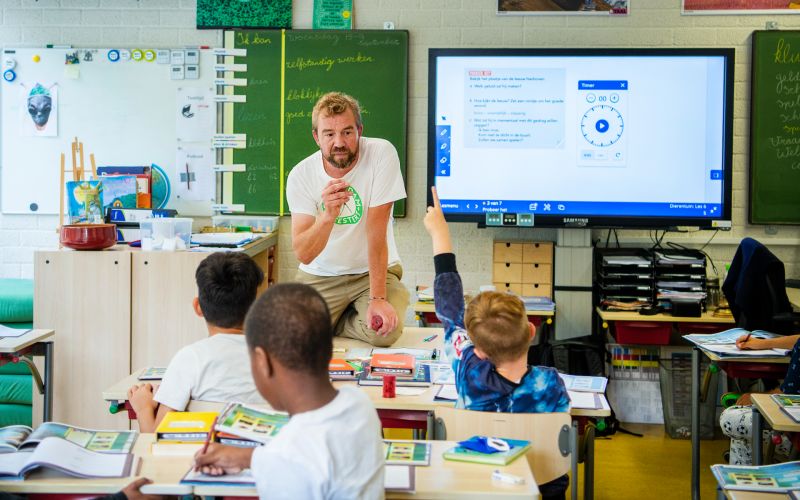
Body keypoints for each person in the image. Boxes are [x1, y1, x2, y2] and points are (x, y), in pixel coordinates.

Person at [423, 186, 570, 499]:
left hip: (473, 482)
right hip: (540, 484)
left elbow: (449, 309)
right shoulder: (550, 383)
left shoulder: (467, 369)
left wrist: (440, 233)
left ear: (476, 347)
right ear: (531, 331)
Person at [194, 283, 385, 499]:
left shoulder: (287, 459)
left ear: (262, 361)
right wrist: (250, 458)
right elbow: (314, 454)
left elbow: (294, 460)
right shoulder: (359, 403)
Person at [286, 91, 409, 347]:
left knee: (383, 332)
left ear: (360, 131)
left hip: (371, 272)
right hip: (320, 274)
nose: (339, 142)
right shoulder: (300, 175)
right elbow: (304, 254)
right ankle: (338, 320)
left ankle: (333, 322)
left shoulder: (381, 154)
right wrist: (327, 217)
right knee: (295, 336)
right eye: (329, 134)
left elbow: (376, 233)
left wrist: (377, 299)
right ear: (316, 137)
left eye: (347, 132)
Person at [127, 252, 265, 432]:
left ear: (198, 307)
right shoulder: (278, 358)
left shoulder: (190, 358)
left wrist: (143, 408)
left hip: (198, 457)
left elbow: (154, 437)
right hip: (261, 457)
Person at [719, 333, 800, 464]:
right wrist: (760, 343)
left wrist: (755, 398)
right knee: (742, 429)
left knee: (731, 418)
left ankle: (749, 480)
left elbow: (787, 394)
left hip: (792, 427)